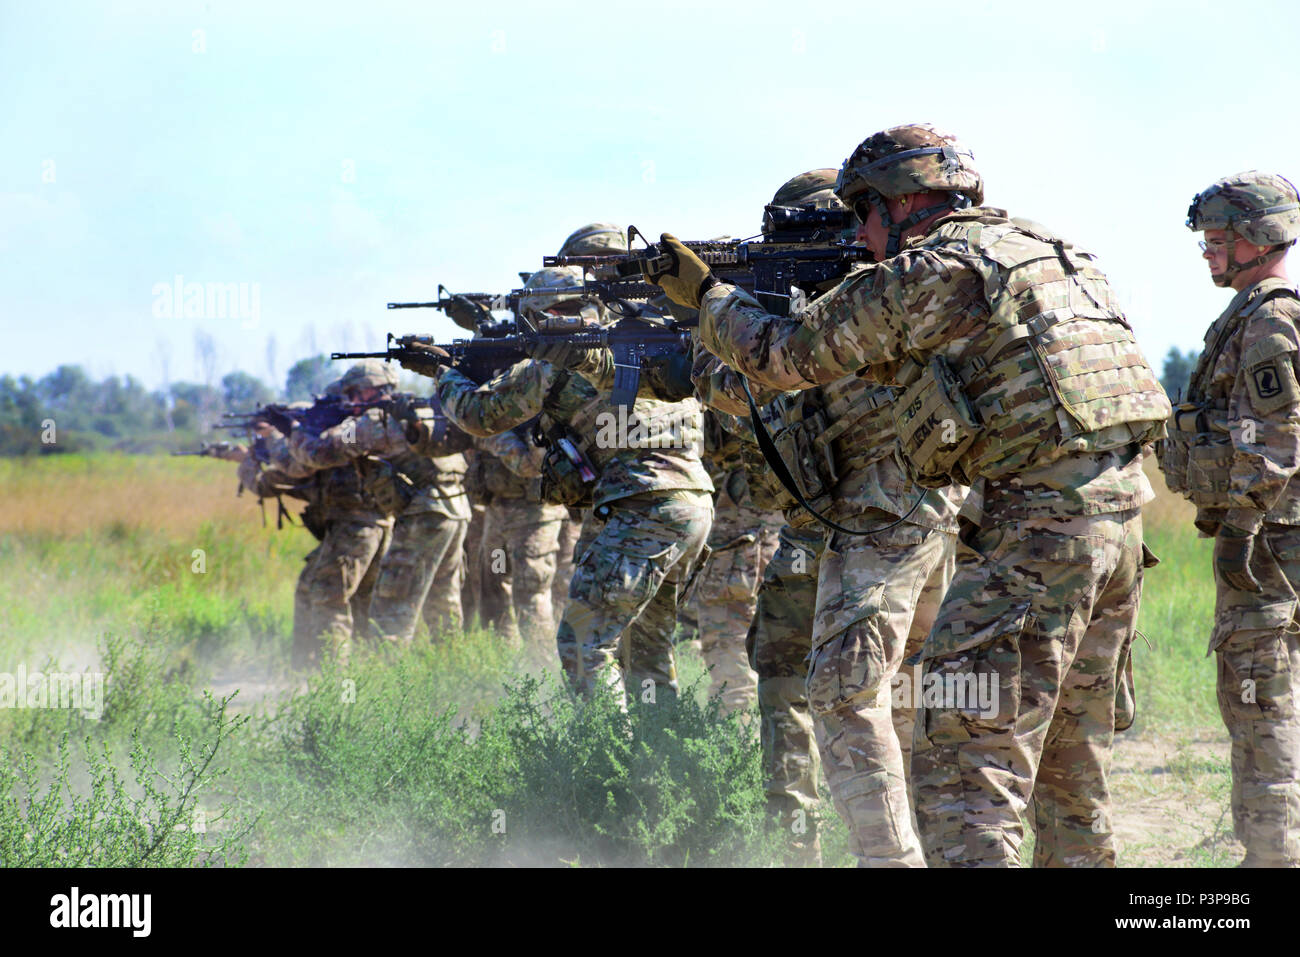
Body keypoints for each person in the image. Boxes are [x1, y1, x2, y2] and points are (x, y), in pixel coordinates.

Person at [654, 124, 1171, 867]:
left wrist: (705, 295)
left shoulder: (930, 270)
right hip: (1121, 526)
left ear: (905, 201)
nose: (861, 234)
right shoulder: (1046, 247)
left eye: (866, 212)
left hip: (1036, 534)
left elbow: (782, 355)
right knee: (1067, 767)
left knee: (964, 769)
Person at [690, 167, 964, 865]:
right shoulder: (904, 289)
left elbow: (771, 385)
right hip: (927, 520)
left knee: (795, 683)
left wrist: (707, 337)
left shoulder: (851, 306)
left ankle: (802, 848)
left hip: (851, 526)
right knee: (902, 696)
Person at [398, 267, 714, 706]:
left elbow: (477, 415)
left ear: (536, 314)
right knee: (646, 647)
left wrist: (442, 372)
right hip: (693, 505)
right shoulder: (646, 343)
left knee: (584, 644)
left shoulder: (555, 363)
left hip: (637, 507)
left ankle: (608, 764)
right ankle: (661, 758)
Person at [1162, 170, 1300, 867]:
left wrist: (1241, 531)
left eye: (1218, 240)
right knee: (1260, 695)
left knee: (1261, 699)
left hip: (1269, 548)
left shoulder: (1270, 318)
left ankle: (1276, 854)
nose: (1209, 253)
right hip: (1268, 543)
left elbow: (1277, 444)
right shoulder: (1254, 313)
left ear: (1258, 237)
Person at [285, 360, 473, 647]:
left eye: (353, 394)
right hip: (456, 511)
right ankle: (452, 678)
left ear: (367, 391)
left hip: (425, 515)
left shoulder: (376, 420)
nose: (350, 402)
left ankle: (389, 684)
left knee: (392, 606)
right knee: (443, 602)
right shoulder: (420, 408)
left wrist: (296, 431)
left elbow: (320, 452)